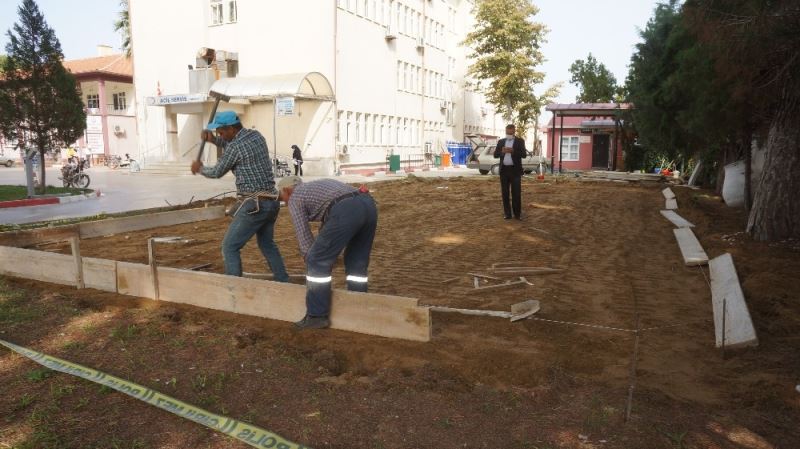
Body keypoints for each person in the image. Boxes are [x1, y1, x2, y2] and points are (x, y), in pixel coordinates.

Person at [190, 111, 289, 281]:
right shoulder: (256, 136)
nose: (219, 135)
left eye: (221, 132)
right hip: (271, 202)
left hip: (254, 205)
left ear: (231, 129)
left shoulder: (234, 148)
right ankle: (283, 280)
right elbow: (231, 145)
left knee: (229, 247)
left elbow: (216, 172)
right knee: (267, 244)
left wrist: (199, 168)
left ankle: (233, 289)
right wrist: (213, 140)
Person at [276, 176, 377, 330]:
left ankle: (317, 316)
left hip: (346, 210)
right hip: (368, 205)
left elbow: (303, 233)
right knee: (357, 260)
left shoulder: (295, 197)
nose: (285, 202)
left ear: (288, 190)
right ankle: (359, 303)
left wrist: (310, 257)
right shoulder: (315, 187)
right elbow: (328, 221)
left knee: (316, 261)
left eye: (283, 197)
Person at [494, 124, 527, 220]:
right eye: (507, 132)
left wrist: (513, 151)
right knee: (505, 193)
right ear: (505, 131)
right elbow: (495, 155)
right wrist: (502, 152)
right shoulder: (501, 142)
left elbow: (524, 155)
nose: (509, 134)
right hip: (504, 170)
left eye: (510, 132)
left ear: (514, 131)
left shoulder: (520, 141)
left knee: (516, 193)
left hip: (515, 171)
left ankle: (517, 214)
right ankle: (507, 214)